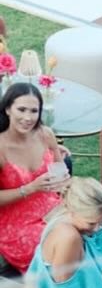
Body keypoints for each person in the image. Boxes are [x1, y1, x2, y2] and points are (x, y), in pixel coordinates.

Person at [0, 82, 70, 272]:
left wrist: (62, 181)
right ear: (7, 109)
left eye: (34, 111)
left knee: (88, 230)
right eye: (21, 109)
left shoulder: (45, 134)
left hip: (52, 207)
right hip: (16, 221)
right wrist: (31, 188)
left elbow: (60, 171)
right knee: (57, 247)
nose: (27, 117)